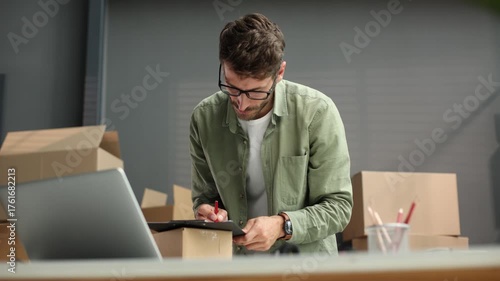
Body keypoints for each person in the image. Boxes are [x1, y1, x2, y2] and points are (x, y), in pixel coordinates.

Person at [190, 13, 352, 255]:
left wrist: (282, 225)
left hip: (306, 267)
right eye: (231, 87)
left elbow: (339, 207)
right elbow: (204, 197)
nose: (241, 103)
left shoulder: (317, 113)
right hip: (236, 267)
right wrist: (205, 210)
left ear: (280, 73)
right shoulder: (204, 118)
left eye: (255, 92)